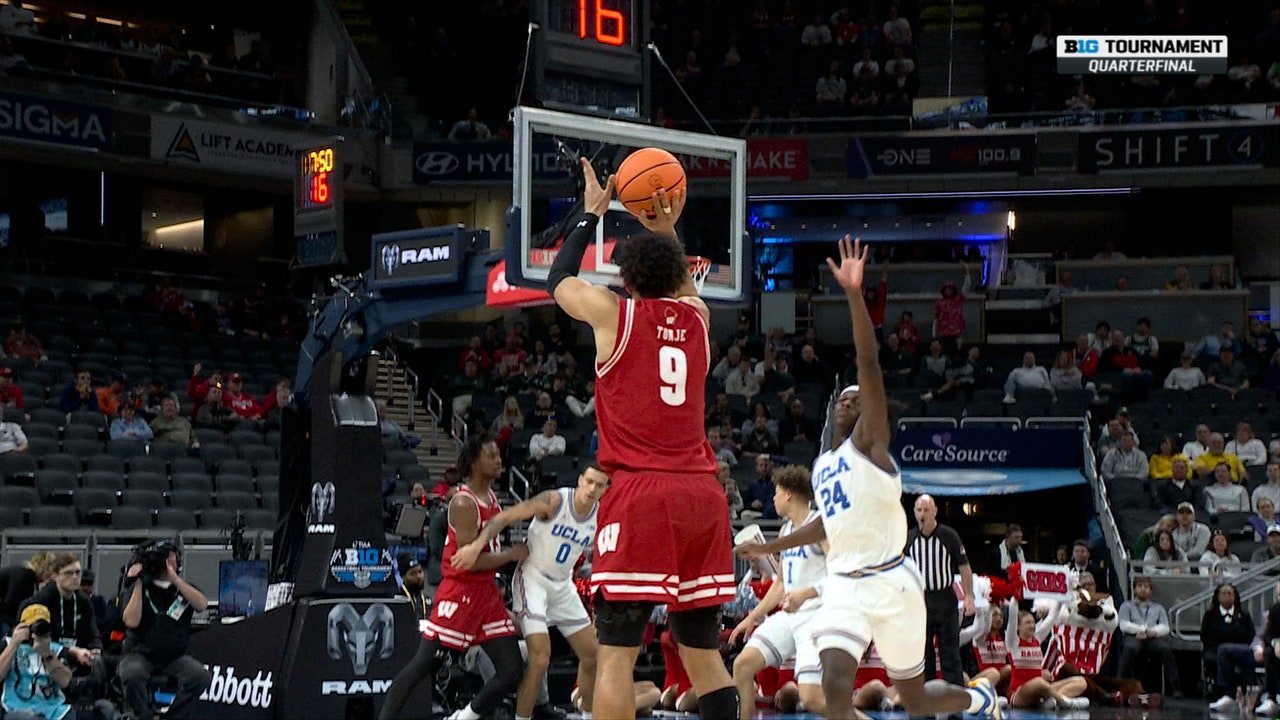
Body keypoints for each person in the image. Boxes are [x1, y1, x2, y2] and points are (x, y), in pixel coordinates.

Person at [735, 237, 1001, 720]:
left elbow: (868, 363)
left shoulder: (872, 445)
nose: (849, 402)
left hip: (891, 582)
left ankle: (981, 698)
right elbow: (824, 528)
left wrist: (854, 296)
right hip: (843, 587)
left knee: (916, 700)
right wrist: (769, 549)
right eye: (844, 398)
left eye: (859, 400)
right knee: (833, 692)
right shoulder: (824, 465)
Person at [547, 157, 737, 720]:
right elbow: (677, 281)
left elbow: (559, 281)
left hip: (641, 496)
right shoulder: (700, 318)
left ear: (626, 279)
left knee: (615, 659)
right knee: (705, 658)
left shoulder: (613, 315)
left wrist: (591, 215)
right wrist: (662, 219)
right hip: (702, 497)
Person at [379, 435, 527, 720]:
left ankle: (463, 717)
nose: (499, 460)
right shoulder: (463, 503)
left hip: (485, 593)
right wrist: (511, 555)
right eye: (491, 456)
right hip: (461, 590)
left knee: (511, 671)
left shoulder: (492, 496)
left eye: (498, 455)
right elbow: (469, 563)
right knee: (423, 665)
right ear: (474, 463)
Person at [451, 465, 610, 720]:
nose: (592, 489)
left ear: (605, 489)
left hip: (562, 585)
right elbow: (504, 517)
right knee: (540, 658)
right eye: (589, 481)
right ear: (580, 480)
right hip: (532, 578)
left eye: (599, 485)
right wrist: (475, 547)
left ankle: (588, 716)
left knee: (593, 657)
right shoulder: (555, 501)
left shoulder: (600, 515)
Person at [728, 465, 828, 720]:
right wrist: (751, 618)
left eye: (777, 492)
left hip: (816, 617)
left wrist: (805, 594)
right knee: (742, 665)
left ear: (789, 495)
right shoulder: (786, 531)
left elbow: (841, 576)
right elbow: (780, 585)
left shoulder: (820, 526)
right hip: (789, 616)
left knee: (812, 698)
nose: (773, 498)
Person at [118, 540, 213, 720]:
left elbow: (201, 604)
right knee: (132, 675)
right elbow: (131, 621)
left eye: (170, 558)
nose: (167, 563)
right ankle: (144, 716)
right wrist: (137, 584)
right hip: (139, 653)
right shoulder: (138, 587)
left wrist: (175, 579)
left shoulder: (183, 588)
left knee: (200, 676)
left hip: (174, 657)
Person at [906, 494, 975, 685]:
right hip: (920, 600)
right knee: (922, 653)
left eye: (926, 510)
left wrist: (969, 596)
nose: (923, 514)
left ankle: (954, 707)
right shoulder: (908, 538)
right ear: (914, 512)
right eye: (919, 510)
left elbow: (964, 567)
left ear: (935, 511)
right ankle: (925, 706)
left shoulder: (949, 536)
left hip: (945, 598)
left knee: (950, 652)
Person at [18, 554, 100, 670]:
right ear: (55, 576)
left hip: (77, 654)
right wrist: (69, 651)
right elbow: (34, 640)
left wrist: (96, 648)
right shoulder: (40, 601)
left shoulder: (84, 601)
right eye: (68, 573)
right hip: (45, 656)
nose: (75, 577)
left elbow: (92, 632)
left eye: (78, 572)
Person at [0, 604, 74, 720]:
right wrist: (15, 643)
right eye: (32, 627)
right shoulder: (9, 644)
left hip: (53, 709)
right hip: (16, 707)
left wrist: (47, 654)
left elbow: (65, 681)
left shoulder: (55, 649)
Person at [1116, 576, 1181, 697]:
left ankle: (1176, 688)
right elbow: (1123, 624)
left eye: (1146, 587)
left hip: (1152, 637)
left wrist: (1152, 632)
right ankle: (1119, 686)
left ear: (1150, 591)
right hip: (1133, 636)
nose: (1143, 589)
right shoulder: (1126, 605)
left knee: (1164, 648)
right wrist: (1141, 630)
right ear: (1134, 589)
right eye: (1140, 586)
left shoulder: (1158, 607)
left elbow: (1165, 627)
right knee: (1130, 648)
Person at [396, 554, 430, 621]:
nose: (418, 576)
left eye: (420, 572)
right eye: (413, 574)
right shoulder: (397, 600)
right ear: (403, 576)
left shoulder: (427, 600)